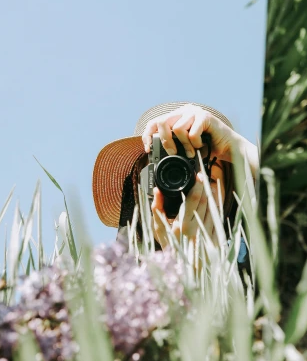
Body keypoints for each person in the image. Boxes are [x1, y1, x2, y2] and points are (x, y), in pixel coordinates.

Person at [92, 102, 259, 258]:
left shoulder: (260, 267)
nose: (183, 193)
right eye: (161, 178)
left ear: (230, 196)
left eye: (207, 179)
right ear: (135, 194)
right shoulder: (111, 284)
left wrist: (237, 147)